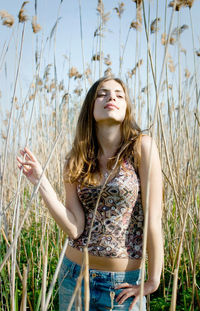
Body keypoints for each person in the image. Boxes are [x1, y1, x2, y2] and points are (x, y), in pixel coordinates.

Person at [17, 76, 163, 311]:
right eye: (102, 93)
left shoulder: (142, 148)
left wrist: (153, 280)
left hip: (121, 286)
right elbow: (75, 227)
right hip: (73, 277)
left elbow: (153, 219)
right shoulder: (77, 159)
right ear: (90, 107)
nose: (111, 97)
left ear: (126, 108)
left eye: (119, 94)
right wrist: (40, 182)